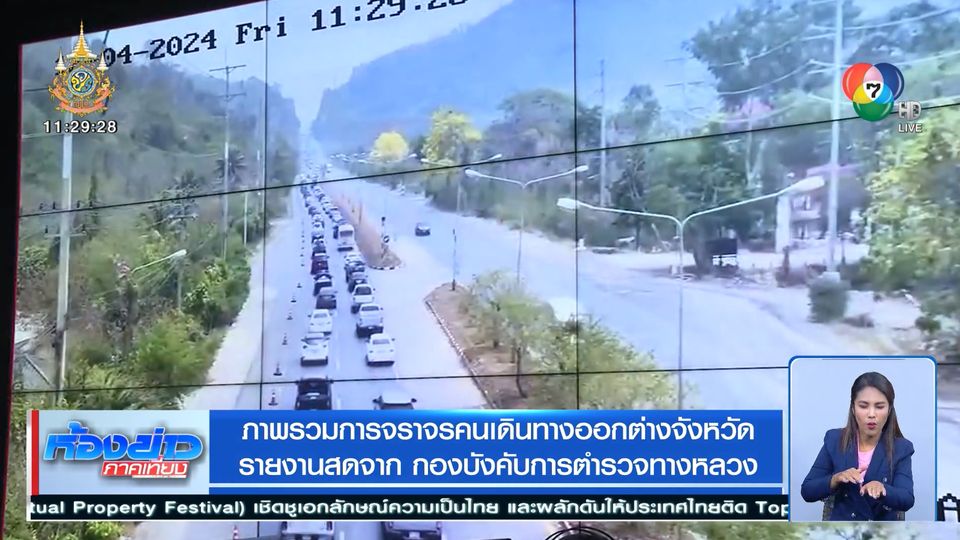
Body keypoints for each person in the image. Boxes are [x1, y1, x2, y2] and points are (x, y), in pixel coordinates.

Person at [800, 371, 915, 520]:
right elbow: (807, 491)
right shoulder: (835, 440)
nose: (871, 414)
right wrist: (836, 479)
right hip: (842, 529)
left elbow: (906, 499)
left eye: (879, 407)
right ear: (853, 408)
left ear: (889, 410)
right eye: (863, 406)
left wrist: (883, 489)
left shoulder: (901, 448)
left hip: (881, 530)